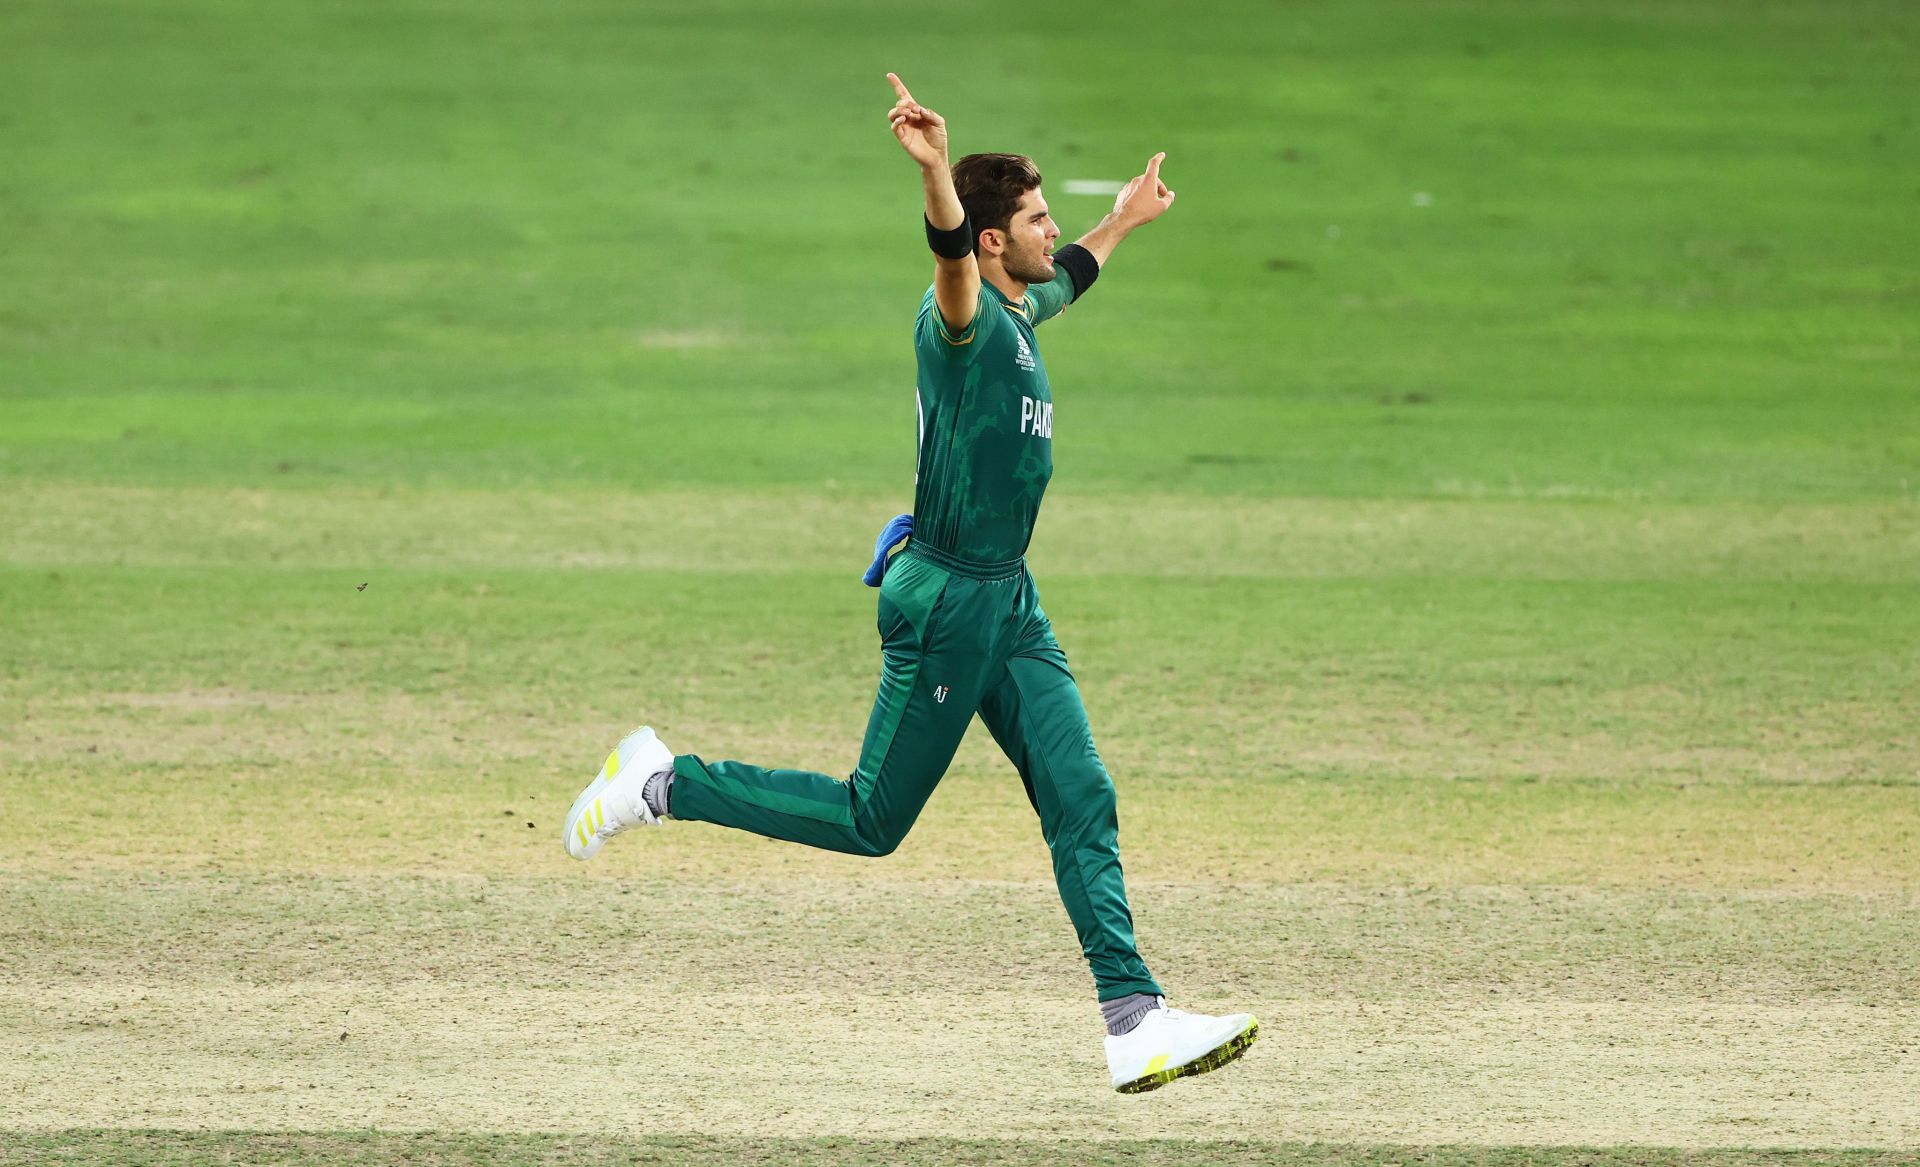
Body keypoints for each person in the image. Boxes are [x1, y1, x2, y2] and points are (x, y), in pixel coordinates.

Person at [562, 73, 1257, 1094]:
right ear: (987, 243)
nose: (1046, 229)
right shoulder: (961, 327)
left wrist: (1121, 220)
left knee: (1080, 793)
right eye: (1032, 218)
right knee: (871, 820)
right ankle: (663, 782)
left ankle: (1133, 1018)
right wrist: (937, 171)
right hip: (945, 603)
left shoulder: (1023, 306)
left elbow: (1071, 273)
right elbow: (946, 263)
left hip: (1006, 597)